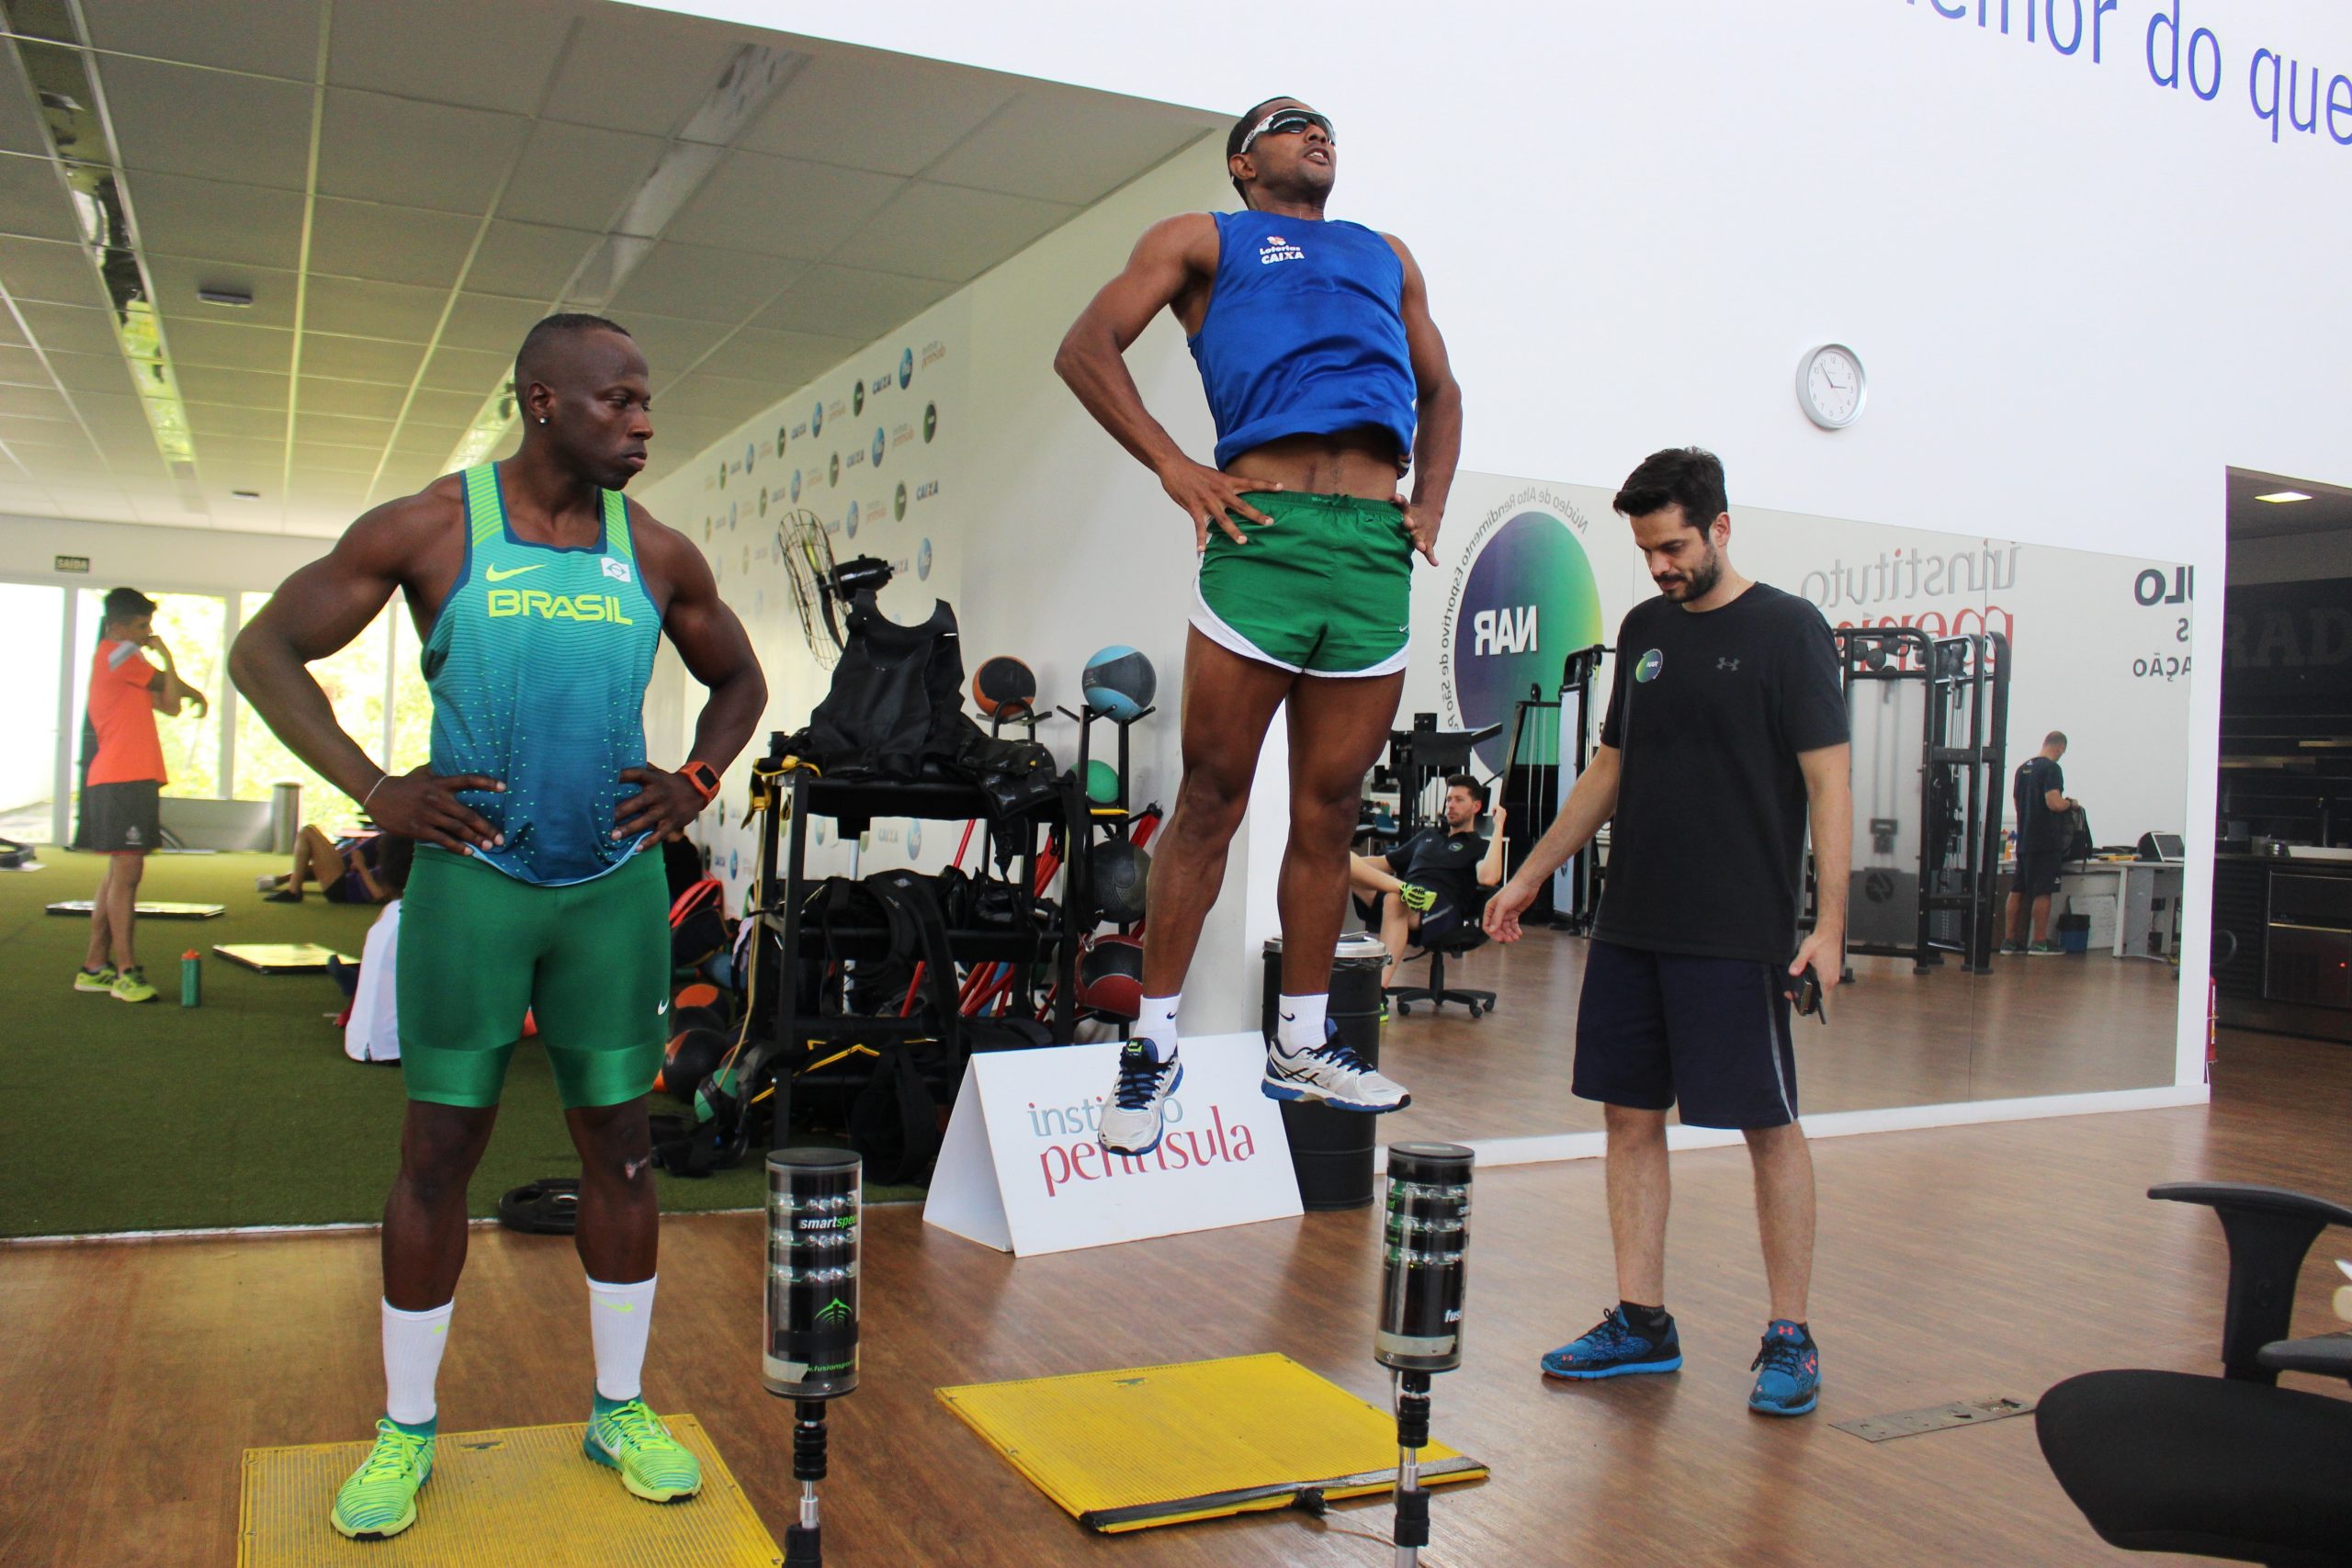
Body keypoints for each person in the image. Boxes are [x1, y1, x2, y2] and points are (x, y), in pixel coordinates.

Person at [229, 313, 766, 1541]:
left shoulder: (659, 550)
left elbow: (740, 678)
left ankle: (618, 1407)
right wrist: (374, 790)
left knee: (625, 1148)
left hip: (615, 888)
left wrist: (694, 776)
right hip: (475, 885)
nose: (642, 424)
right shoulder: (430, 526)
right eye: (618, 402)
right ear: (542, 402)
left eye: (647, 403)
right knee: (437, 1155)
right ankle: (405, 1428)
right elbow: (266, 650)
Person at [1056, 96, 1462, 1156]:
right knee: (1211, 799)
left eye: (1328, 124)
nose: (1318, 133)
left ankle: (1301, 1042)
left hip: (1372, 548)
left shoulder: (1386, 253)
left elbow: (1441, 388)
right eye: (1290, 125)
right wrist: (1174, 465)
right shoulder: (1202, 237)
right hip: (1262, 528)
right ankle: (1150, 1047)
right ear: (1244, 162)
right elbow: (1085, 346)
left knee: (1329, 810)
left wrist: (1433, 502)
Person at [1484, 447, 1852, 1418]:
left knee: (1767, 1130)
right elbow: (1608, 771)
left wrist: (1832, 925)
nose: (1659, 566)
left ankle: (1791, 1335)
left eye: (1675, 546)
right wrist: (1527, 873)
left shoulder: (1788, 632)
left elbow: (1829, 784)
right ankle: (1642, 1320)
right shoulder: (1645, 630)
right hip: (1632, 922)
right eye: (1647, 549)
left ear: (1720, 527)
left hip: (1739, 931)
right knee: (1627, 1118)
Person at [74, 586, 208, 1004]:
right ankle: (126, 972)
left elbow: (169, 705)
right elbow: (177, 694)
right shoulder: (117, 654)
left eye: (149, 626)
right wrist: (193, 688)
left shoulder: (129, 664)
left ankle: (94, 966)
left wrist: (168, 663)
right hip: (122, 780)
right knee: (127, 878)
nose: (146, 633)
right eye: (140, 626)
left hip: (129, 779)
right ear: (116, 625)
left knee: (118, 875)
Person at [1349, 774, 1505, 988]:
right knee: (1343, 862)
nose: (1451, 805)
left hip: (1439, 908)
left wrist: (1498, 827)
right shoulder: (1428, 836)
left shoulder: (1478, 846)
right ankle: (1402, 889)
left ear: (1476, 806)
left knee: (1395, 899)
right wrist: (1344, 861)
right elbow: (1384, 862)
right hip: (1403, 899)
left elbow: (1488, 878)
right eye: (1449, 799)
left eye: (1459, 800)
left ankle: (1377, 993)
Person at [2006, 732, 2075, 956]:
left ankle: (2009, 942)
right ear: (2060, 748)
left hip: (2025, 839)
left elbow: (2017, 803)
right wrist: (2070, 804)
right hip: (2046, 841)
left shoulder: (2022, 768)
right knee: (2043, 891)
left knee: (2018, 889)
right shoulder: (2051, 768)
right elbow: (2053, 802)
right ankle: (2039, 942)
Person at [266, 823, 395, 904]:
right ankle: (292, 888)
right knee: (311, 829)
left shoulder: (402, 865)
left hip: (341, 889)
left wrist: (361, 866)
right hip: (347, 880)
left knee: (307, 832)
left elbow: (380, 895)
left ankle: (293, 891)